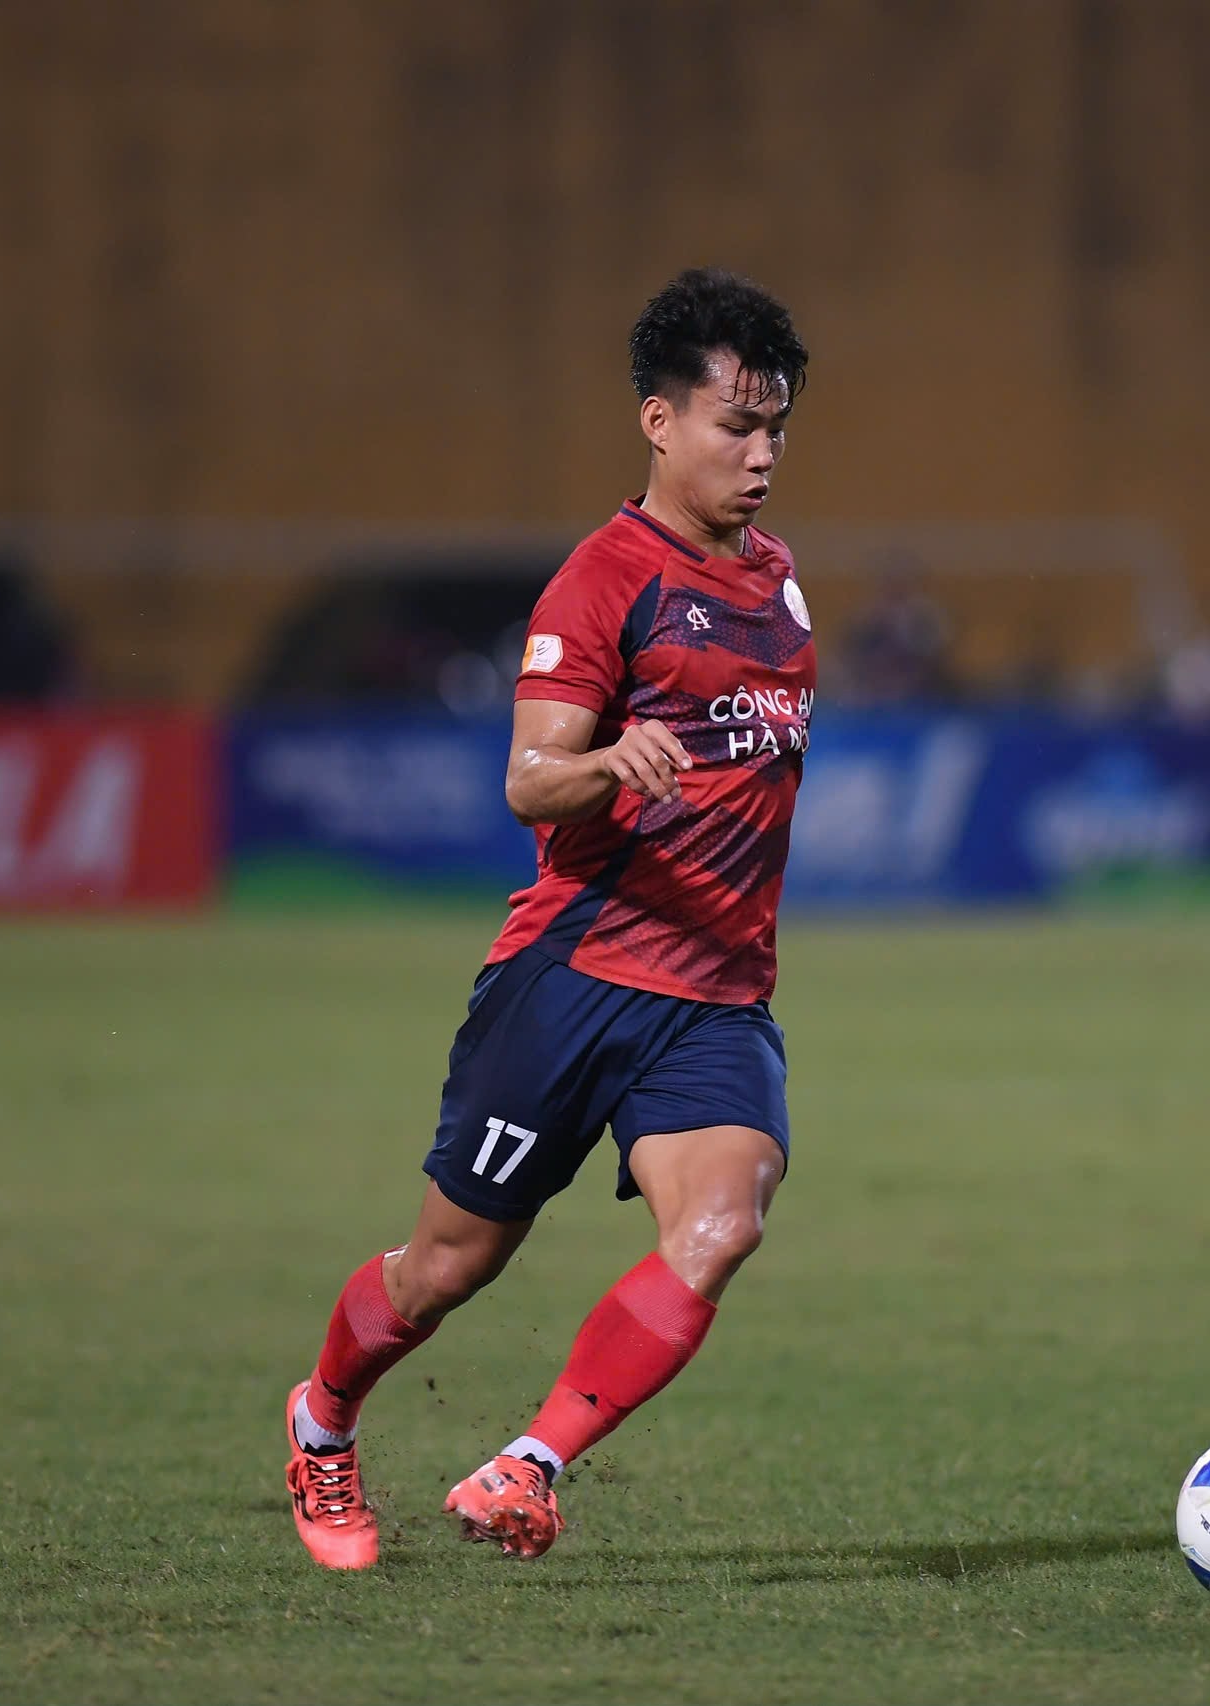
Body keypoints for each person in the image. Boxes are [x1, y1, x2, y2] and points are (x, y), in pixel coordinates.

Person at [282, 268, 816, 1570]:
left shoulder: (779, 581)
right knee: (444, 1270)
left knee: (723, 1223)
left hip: (716, 995)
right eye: (733, 426)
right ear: (655, 420)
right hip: (574, 977)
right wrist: (610, 763)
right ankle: (323, 1415)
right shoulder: (602, 581)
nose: (760, 454)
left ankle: (528, 1461)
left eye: (776, 428)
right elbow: (529, 775)